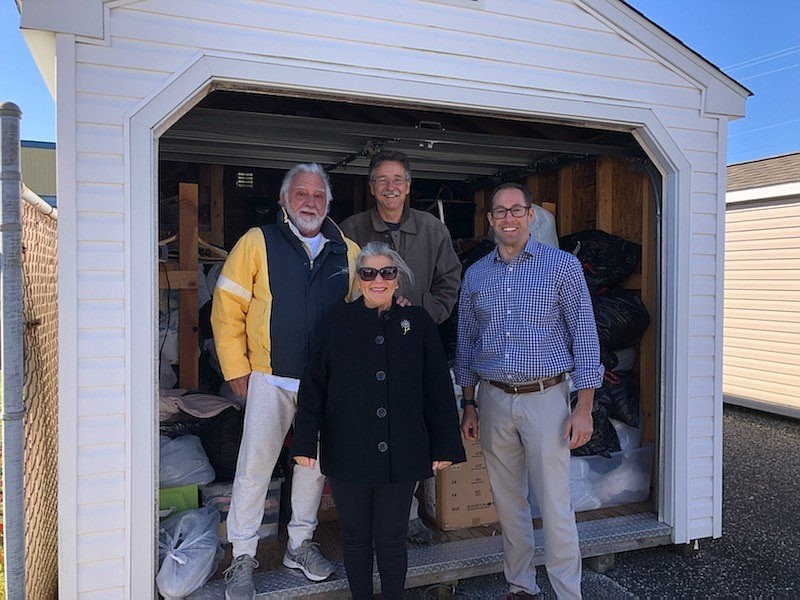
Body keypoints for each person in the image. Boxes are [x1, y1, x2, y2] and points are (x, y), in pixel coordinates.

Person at [211, 163, 360, 600]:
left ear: (328, 203)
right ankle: (241, 555)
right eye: (301, 194)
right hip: (269, 377)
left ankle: (299, 544)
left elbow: (359, 310)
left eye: (318, 195)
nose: (309, 201)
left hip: (324, 383)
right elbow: (226, 308)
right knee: (255, 466)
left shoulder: (347, 251)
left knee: (313, 467)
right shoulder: (258, 242)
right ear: (284, 200)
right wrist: (236, 367)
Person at [291, 242, 466, 600]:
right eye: (368, 273)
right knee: (355, 538)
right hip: (348, 449)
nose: (378, 280)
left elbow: (437, 387)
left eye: (387, 272)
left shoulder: (416, 323)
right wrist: (305, 441)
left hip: (402, 450)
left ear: (397, 279)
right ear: (358, 279)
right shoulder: (336, 323)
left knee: (390, 537)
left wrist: (445, 443)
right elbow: (314, 385)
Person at [455, 183, 603, 600]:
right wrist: (469, 403)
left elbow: (586, 338)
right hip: (493, 399)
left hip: (547, 400)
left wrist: (584, 407)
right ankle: (521, 586)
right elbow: (466, 343)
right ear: (489, 221)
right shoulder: (477, 273)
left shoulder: (561, 268)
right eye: (499, 212)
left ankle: (567, 593)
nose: (508, 219)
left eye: (516, 210)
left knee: (555, 506)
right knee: (509, 505)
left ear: (531, 216)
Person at [340, 150, 462, 543]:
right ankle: (367, 513)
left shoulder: (432, 229)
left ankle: (407, 513)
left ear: (408, 187)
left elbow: (450, 281)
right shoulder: (351, 228)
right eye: (382, 180)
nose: (390, 187)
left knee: (410, 424)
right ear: (372, 187)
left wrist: (422, 314)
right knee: (368, 421)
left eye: (398, 180)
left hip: (414, 344)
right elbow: (336, 283)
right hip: (362, 347)